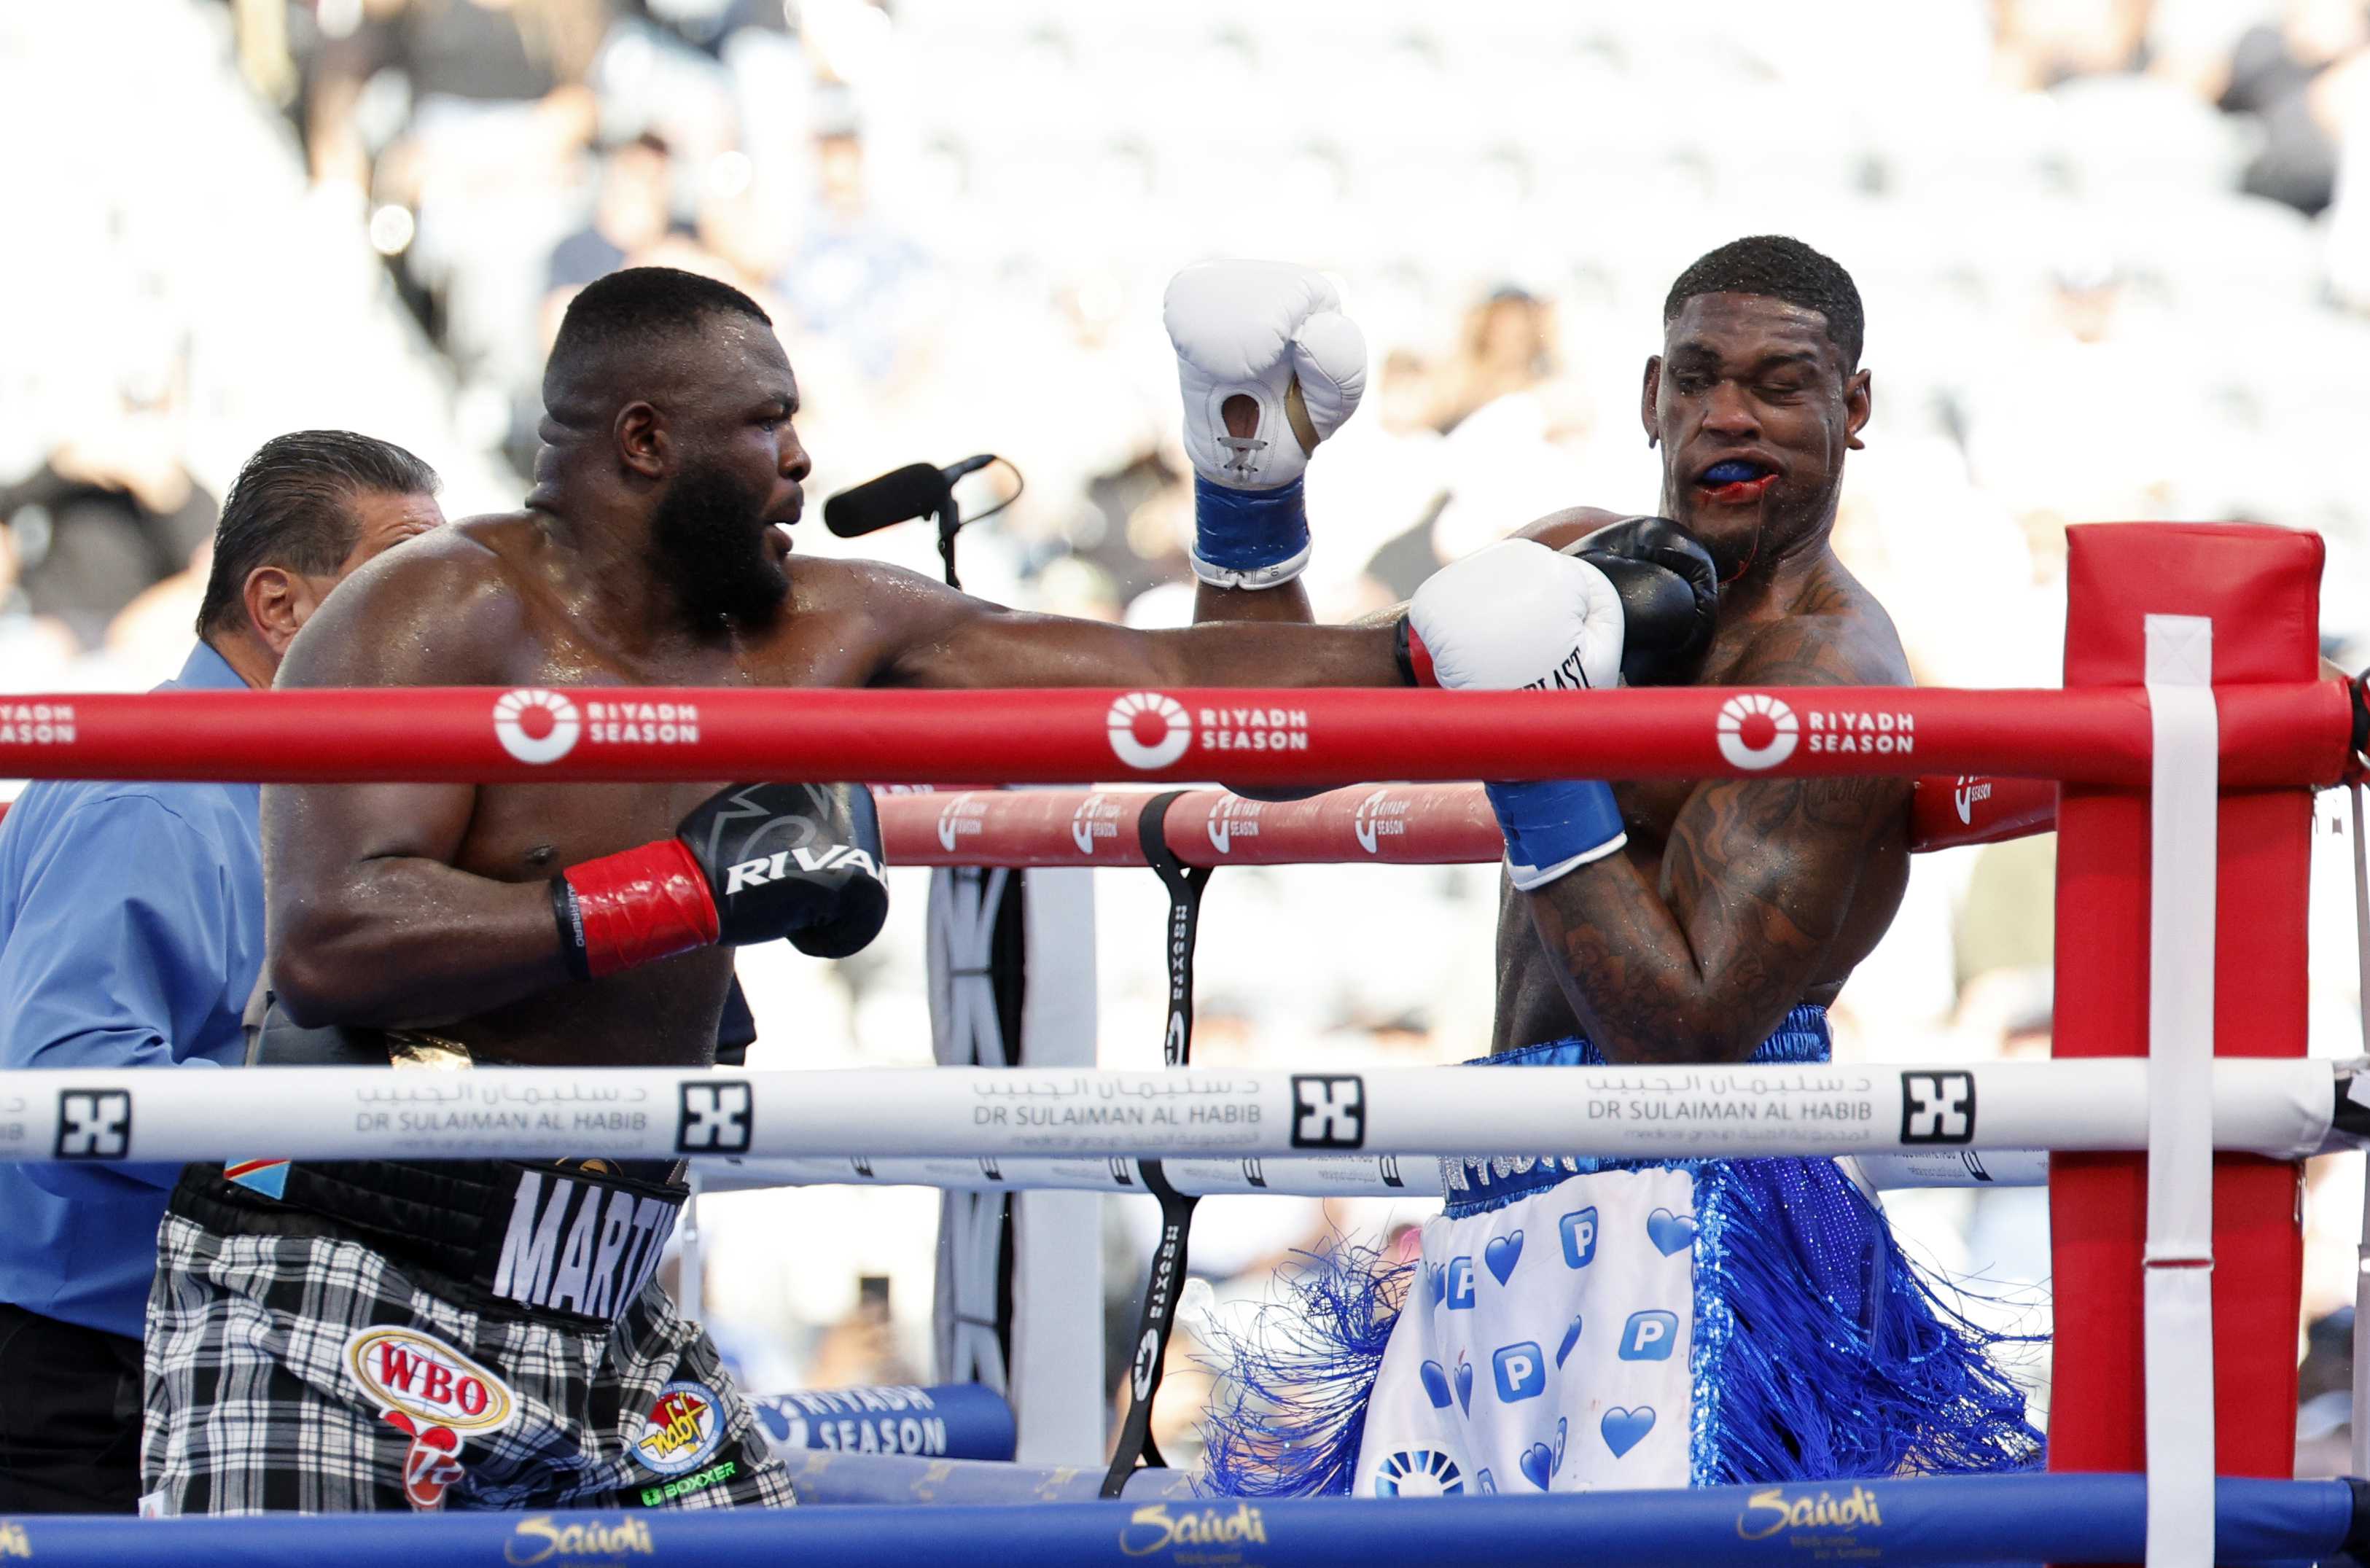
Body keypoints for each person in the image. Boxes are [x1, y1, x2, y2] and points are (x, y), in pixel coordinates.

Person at [141, 265, 1716, 1516]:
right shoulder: (434, 611)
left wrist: (1427, 628)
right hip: (341, 1276)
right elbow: (337, 940)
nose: (805, 460)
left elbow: (1176, 692)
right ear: (644, 443)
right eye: (769, 421)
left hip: (610, 1287)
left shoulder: (826, 621)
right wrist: (679, 889)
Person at [1184, 240, 2040, 1496]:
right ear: (1652, 396)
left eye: (1779, 382)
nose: (1729, 413)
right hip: (1504, 1184)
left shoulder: (1828, 673)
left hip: (1699, 1219)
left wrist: (1534, 741)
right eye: (1698, 377)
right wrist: (1248, 477)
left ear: (1852, 410)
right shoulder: (1569, 569)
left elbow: (1681, 1045)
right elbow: (1266, 749)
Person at [0, 431, 443, 1513]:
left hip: (160, 1342)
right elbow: (72, 1088)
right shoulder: (157, 794)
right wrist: (331, 1160)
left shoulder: (275, 789)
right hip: (79, 1363)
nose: (447, 626)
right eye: (408, 583)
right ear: (281, 607)